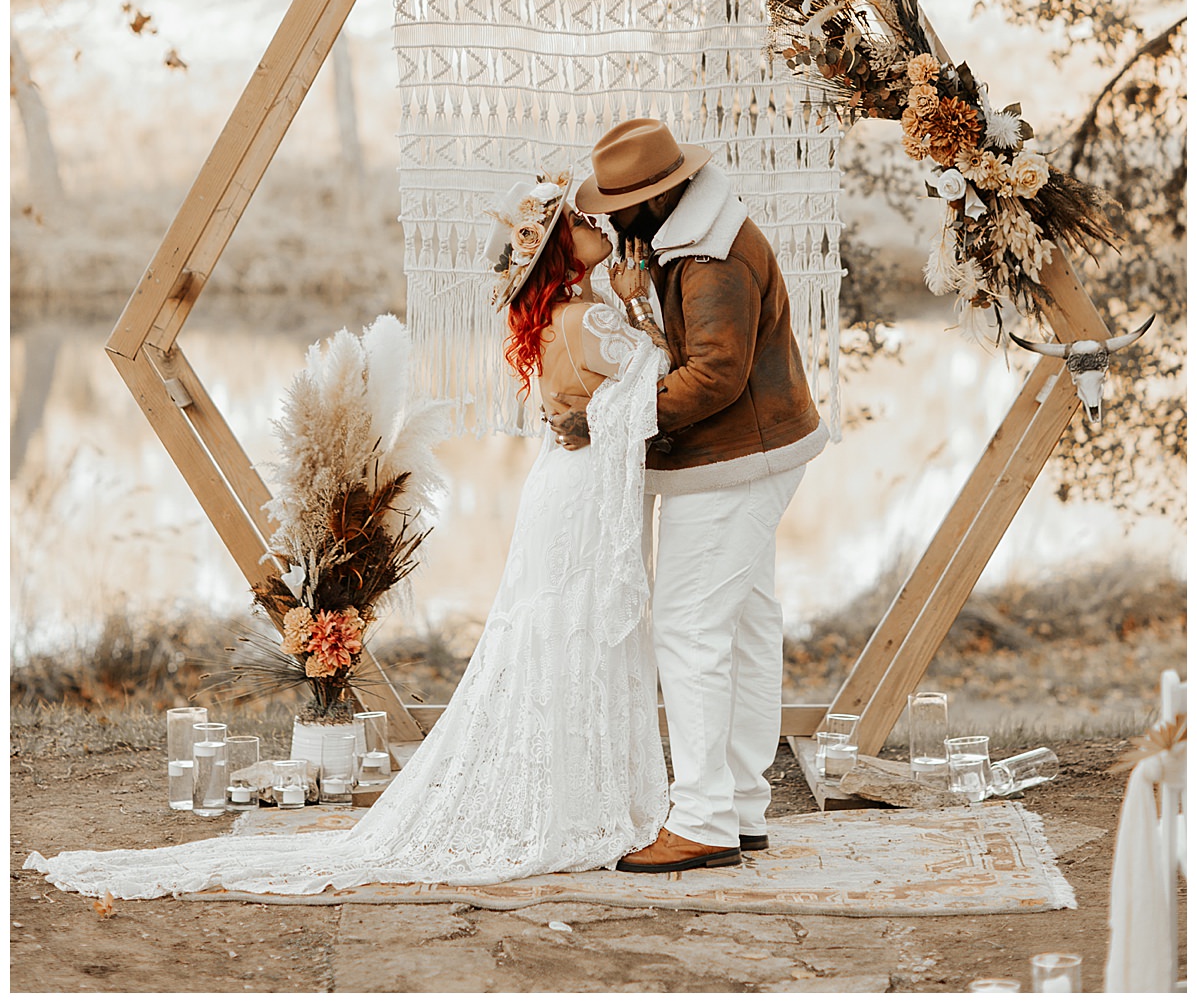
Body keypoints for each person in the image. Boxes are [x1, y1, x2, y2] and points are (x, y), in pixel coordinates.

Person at [26, 175, 673, 898]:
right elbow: (663, 373)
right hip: (578, 489)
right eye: (584, 219)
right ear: (562, 247)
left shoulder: (563, 313)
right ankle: (572, 797)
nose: (601, 223)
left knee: (560, 632)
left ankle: (568, 786)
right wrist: (640, 298)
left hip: (562, 484)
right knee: (572, 631)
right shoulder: (590, 318)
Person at [560, 117, 829, 875]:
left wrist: (605, 419)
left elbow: (713, 374)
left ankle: (705, 818)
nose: (609, 219)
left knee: (686, 629)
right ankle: (739, 808)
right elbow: (689, 349)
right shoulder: (687, 239)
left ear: (661, 196)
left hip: (737, 460)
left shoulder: (710, 258)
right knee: (742, 626)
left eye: (622, 204)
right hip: (753, 451)